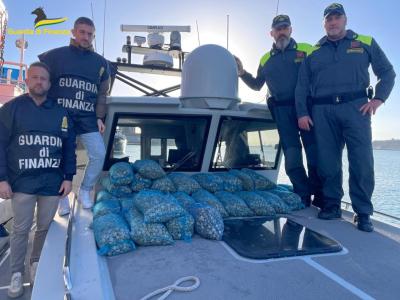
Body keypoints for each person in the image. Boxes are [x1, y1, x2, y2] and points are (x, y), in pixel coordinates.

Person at [295, 3, 396, 232]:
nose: (333, 22)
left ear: (345, 20)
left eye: (337, 17)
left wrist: (378, 99)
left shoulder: (365, 42)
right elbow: (301, 86)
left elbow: (387, 72)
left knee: (361, 161)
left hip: (356, 108)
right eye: (328, 19)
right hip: (322, 111)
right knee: (328, 161)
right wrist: (302, 112)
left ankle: (363, 213)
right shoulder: (313, 51)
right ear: (323, 23)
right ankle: (331, 205)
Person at [0, 62, 76, 298]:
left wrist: (68, 177)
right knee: (20, 230)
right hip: (21, 182)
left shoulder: (61, 112)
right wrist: (2, 178)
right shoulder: (11, 109)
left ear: (49, 83)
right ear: (27, 79)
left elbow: (68, 147)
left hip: (51, 183)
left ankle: (35, 265)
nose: (39, 82)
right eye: (34, 78)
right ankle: (16, 273)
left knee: (44, 228)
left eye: (43, 78)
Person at [236, 15, 323, 207]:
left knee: (315, 154)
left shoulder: (307, 49)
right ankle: (302, 194)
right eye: (278, 29)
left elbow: (323, 73)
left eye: (285, 28)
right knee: (292, 157)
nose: (281, 31)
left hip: (307, 109)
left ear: (291, 30)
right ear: (272, 33)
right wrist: (242, 73)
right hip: (282, 112)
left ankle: (320, 195)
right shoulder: (265, 58)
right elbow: (258, 85)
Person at [39, 17, 110, 215]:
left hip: (87, 117)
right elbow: (39, 76)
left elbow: (102, 93)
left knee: (98, 154)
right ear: (73, 32)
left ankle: (85, 189)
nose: (86, 37)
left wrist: (99, 117)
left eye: (90, 34)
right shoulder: (54, 56)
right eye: (82, 32)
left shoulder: (101, 63)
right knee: (60, 157)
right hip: (61, 116)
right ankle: (62, 197)